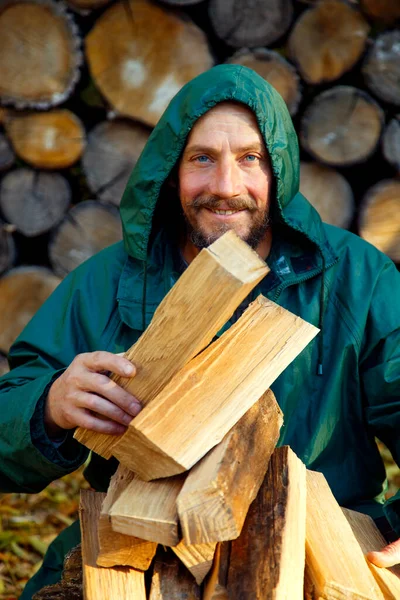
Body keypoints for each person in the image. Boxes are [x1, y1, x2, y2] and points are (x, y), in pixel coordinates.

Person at [1, 64, 399, 597]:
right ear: (172, 171)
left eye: (249, 159)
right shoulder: (106, 283)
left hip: (312, 555)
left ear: (278, 169)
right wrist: (48, 407)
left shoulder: (355, 278)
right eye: (202, 159)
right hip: (135, 552)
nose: (225, 187)